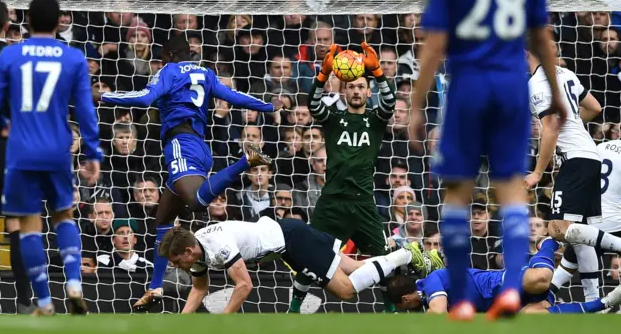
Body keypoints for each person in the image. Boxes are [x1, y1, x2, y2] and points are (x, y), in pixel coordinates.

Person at [408, 0, 568, 320]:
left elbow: (435, 42)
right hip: (511, 87)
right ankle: (512, 289)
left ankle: (461, 297)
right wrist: (556, 91)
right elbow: (541, 36)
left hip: (468, 86)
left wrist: (417, 102)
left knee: (458, 192)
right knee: (511, 187)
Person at [96, 35, 283, 311]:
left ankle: (247, 159)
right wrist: (266, 106)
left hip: (180, 145)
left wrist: (106, 96)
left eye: (160, 60)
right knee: (163, 219)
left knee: (196, 202)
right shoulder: (205, 72)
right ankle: (155, 286)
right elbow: (232, 96)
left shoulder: (168, 72)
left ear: (168, 56)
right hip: (198, 147)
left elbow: (146, 98)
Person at [0, 0, 103, 315]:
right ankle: (74, 282)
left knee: (28, 224)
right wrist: (92, 152)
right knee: (64, 215)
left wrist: (3, 125)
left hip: (21, 150)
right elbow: (86, 110)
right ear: (56, 23)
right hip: (57, 150)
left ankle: (45, 302)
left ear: (27, 22)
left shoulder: (11, 54)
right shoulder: (73, 58)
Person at [289, 41, 409, 313]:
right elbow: (313, 102)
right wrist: (323, 74)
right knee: (312, 255)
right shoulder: (332, 119)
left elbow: (389, 101)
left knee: (384, 259)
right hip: (332, 201)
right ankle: (294, 309)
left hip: (364, 203)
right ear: (344, 91)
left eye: (361, 87)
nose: (356, 91)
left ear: (368, 92)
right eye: (351, 87)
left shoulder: (376, 119)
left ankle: (390, 313)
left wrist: (377, 71)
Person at [159, 217, 426, 314]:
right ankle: (402, 255)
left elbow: (244, 285)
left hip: (292, 241)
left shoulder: (217, 245)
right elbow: (199, 289)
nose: (175, 265)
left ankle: (404, 254)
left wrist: (222, 322)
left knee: (345, 290)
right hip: (285, 241)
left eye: (176, 261)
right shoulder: (196, 250)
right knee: (354, 269)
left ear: (188, 250)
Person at [525, 48, 621, 301]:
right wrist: (575, 125)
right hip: (591, 155)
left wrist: (537, 172)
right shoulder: (565, 73)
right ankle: (592, 299)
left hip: (575, 160)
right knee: (580, 233)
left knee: (557, 229)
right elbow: (595, 107)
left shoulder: (537, 83)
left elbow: (551, 128)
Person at [387, 238, 621, 314]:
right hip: (506, 308)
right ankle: (606, 302)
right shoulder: (426, 297)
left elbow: (437, 313)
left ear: (405, 300)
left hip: (500, 284)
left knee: (541, 279)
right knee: (535, 319)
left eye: (401, 308)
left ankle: (547, 243)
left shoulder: (432, 280)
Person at [0, 0, 34, 314]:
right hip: (9, 150)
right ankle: (26, 300)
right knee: (16, 223)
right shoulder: (17, 57)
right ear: (6, 25)